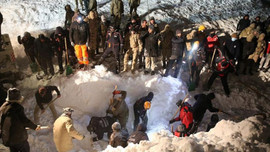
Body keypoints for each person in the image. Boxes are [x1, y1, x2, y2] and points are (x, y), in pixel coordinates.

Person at [0, 88, 41, 152]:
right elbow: (24, 121)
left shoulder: (3, 107)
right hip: (18, 139)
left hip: (7, 138)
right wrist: (35, 127)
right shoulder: (17, 108)